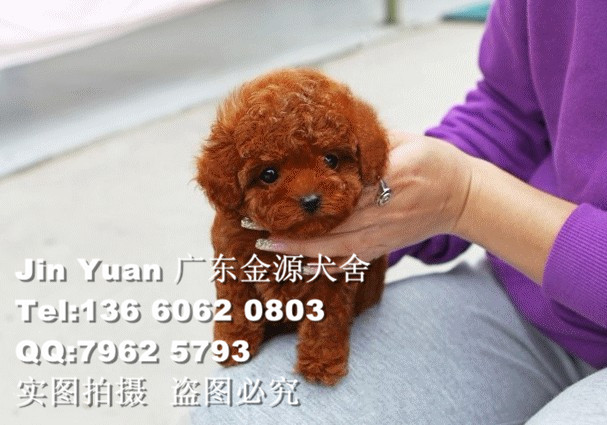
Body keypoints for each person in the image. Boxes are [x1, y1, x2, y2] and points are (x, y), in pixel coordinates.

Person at [191, 1, 606, 423]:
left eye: (331, 161)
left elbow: (467, 194)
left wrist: (466, 199)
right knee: (237, 410)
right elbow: (512, 108)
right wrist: (391, 209)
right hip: (531, 294)